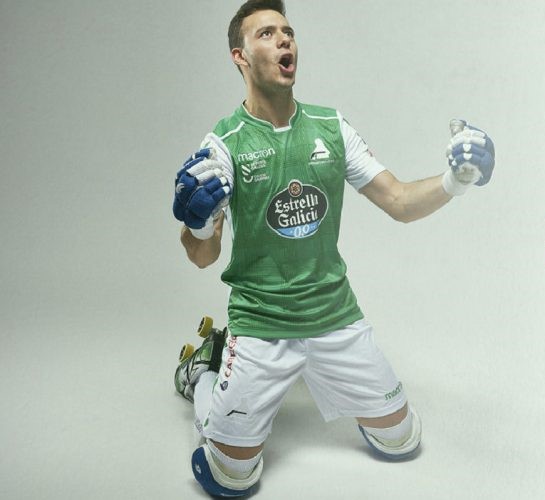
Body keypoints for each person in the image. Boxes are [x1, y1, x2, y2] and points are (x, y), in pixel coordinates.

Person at [172, 0, 495, 497]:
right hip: (260, 324)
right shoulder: (223, 144)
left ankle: (324, 380)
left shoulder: (331, 127)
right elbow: (203, 256)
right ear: (240, 56)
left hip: (334, 317)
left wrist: (457, 180)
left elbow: (399, 201)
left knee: (402, 441)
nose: (284, 39)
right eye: (266, 34)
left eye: (288, 31)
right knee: (230, 477)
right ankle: (204, 375)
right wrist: (196, 226)